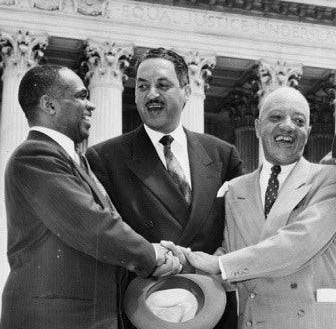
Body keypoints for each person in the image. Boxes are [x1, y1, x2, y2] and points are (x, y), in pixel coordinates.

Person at [0, 65, 180, 329]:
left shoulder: (76, 161)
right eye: (80, 96)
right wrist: (151, 256)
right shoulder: (34, 156)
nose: (91, 105)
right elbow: (91, 225)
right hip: (53, 320)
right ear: (49, 105)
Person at [85, 48, 244, 328]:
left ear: (186, 91)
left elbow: (241, 229)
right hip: (145, 310)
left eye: (162, 85)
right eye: (142, 86)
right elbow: (102, 241)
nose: (151, 95)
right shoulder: (106, 158)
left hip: (212, 310)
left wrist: (217, 259)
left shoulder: (223, 155)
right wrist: (151, 259)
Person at [176, 86, 336, 328]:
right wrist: (189, 262)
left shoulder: (330, 178)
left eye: (299, 120)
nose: (288, 126)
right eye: (276, 117)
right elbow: (233, 261)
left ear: (308, 132)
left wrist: (220, 264)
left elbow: (299, 244)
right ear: (258, 127)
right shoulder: (234, 190)